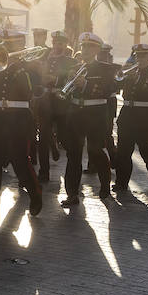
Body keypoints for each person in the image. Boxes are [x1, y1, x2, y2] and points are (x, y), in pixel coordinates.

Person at [0, 30, 42, 224]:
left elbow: (34, 90)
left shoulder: (29, 67)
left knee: (20, 163)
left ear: (21, 46)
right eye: (6, 45)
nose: (9, 49)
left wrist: (19, 68)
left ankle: (36, 194)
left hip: (18, 120)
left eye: (13, 45)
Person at [61, 33, 116, 204]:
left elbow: (108, 90)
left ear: (97, 49)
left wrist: (85, 85)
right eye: (83, 46)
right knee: (74, 154)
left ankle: (105, 184)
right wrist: (68, 81)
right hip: (77, 113)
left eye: (89, 47)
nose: (85, 50)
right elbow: (67, 91)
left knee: (95, 151)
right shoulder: (76, 67)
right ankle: (72, 194)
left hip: (96, 114)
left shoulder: (106, 68)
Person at [113, 43, 148, 192]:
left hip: (146, 115)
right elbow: (116, 83)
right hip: (128, 113)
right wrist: (123, 74)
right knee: (123, 150)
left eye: (143, 56)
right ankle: (121, 182)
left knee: (145, 147)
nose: (140, 58)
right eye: (138, 56)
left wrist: (147, 81)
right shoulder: (129, 73)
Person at [37, 30, 75, 183]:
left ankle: (71, 163)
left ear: (66, 45)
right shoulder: (44, 58)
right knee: (43, 136)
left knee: (64, 137)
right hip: (45, 100)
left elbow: (72, 78)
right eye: (55, 42)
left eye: (61, 43)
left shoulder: (70, 61)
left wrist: (56, 78)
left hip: (61, 101)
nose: (57, 45)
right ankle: (43, 171)